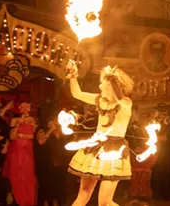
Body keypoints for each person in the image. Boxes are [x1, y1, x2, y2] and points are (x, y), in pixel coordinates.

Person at [66, 60, 135, 206]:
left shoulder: (126, 103)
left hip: (115, 150)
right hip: (96, 147)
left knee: (104, 202)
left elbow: (119, 98)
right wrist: (73, 75)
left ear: (110, 84)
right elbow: (77, 93)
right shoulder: (99, 100)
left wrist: (111, 78)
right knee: (83, 195)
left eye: (102, 82)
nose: (99, 85)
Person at [3, 101, 38, 206]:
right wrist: (18, 124)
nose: (25, 108)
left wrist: (21, 135)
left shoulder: (33, 120)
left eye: (27, 106)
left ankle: (27, 201)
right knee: (15, 173)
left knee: (27, 175)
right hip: (16, 150)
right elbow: (12, 136)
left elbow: (34, 136)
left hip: (27, 150)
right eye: (23, 106)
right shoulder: (14, 120)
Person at [35, 119, 66, 206]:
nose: (54, 124)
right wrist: (51, 130)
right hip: (44, 165)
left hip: (56, 164)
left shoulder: (59, 134)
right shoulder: (42, 134)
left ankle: (55, 203)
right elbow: (42, 141)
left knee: (55, 186)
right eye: (51, 122)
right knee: (45, 186)